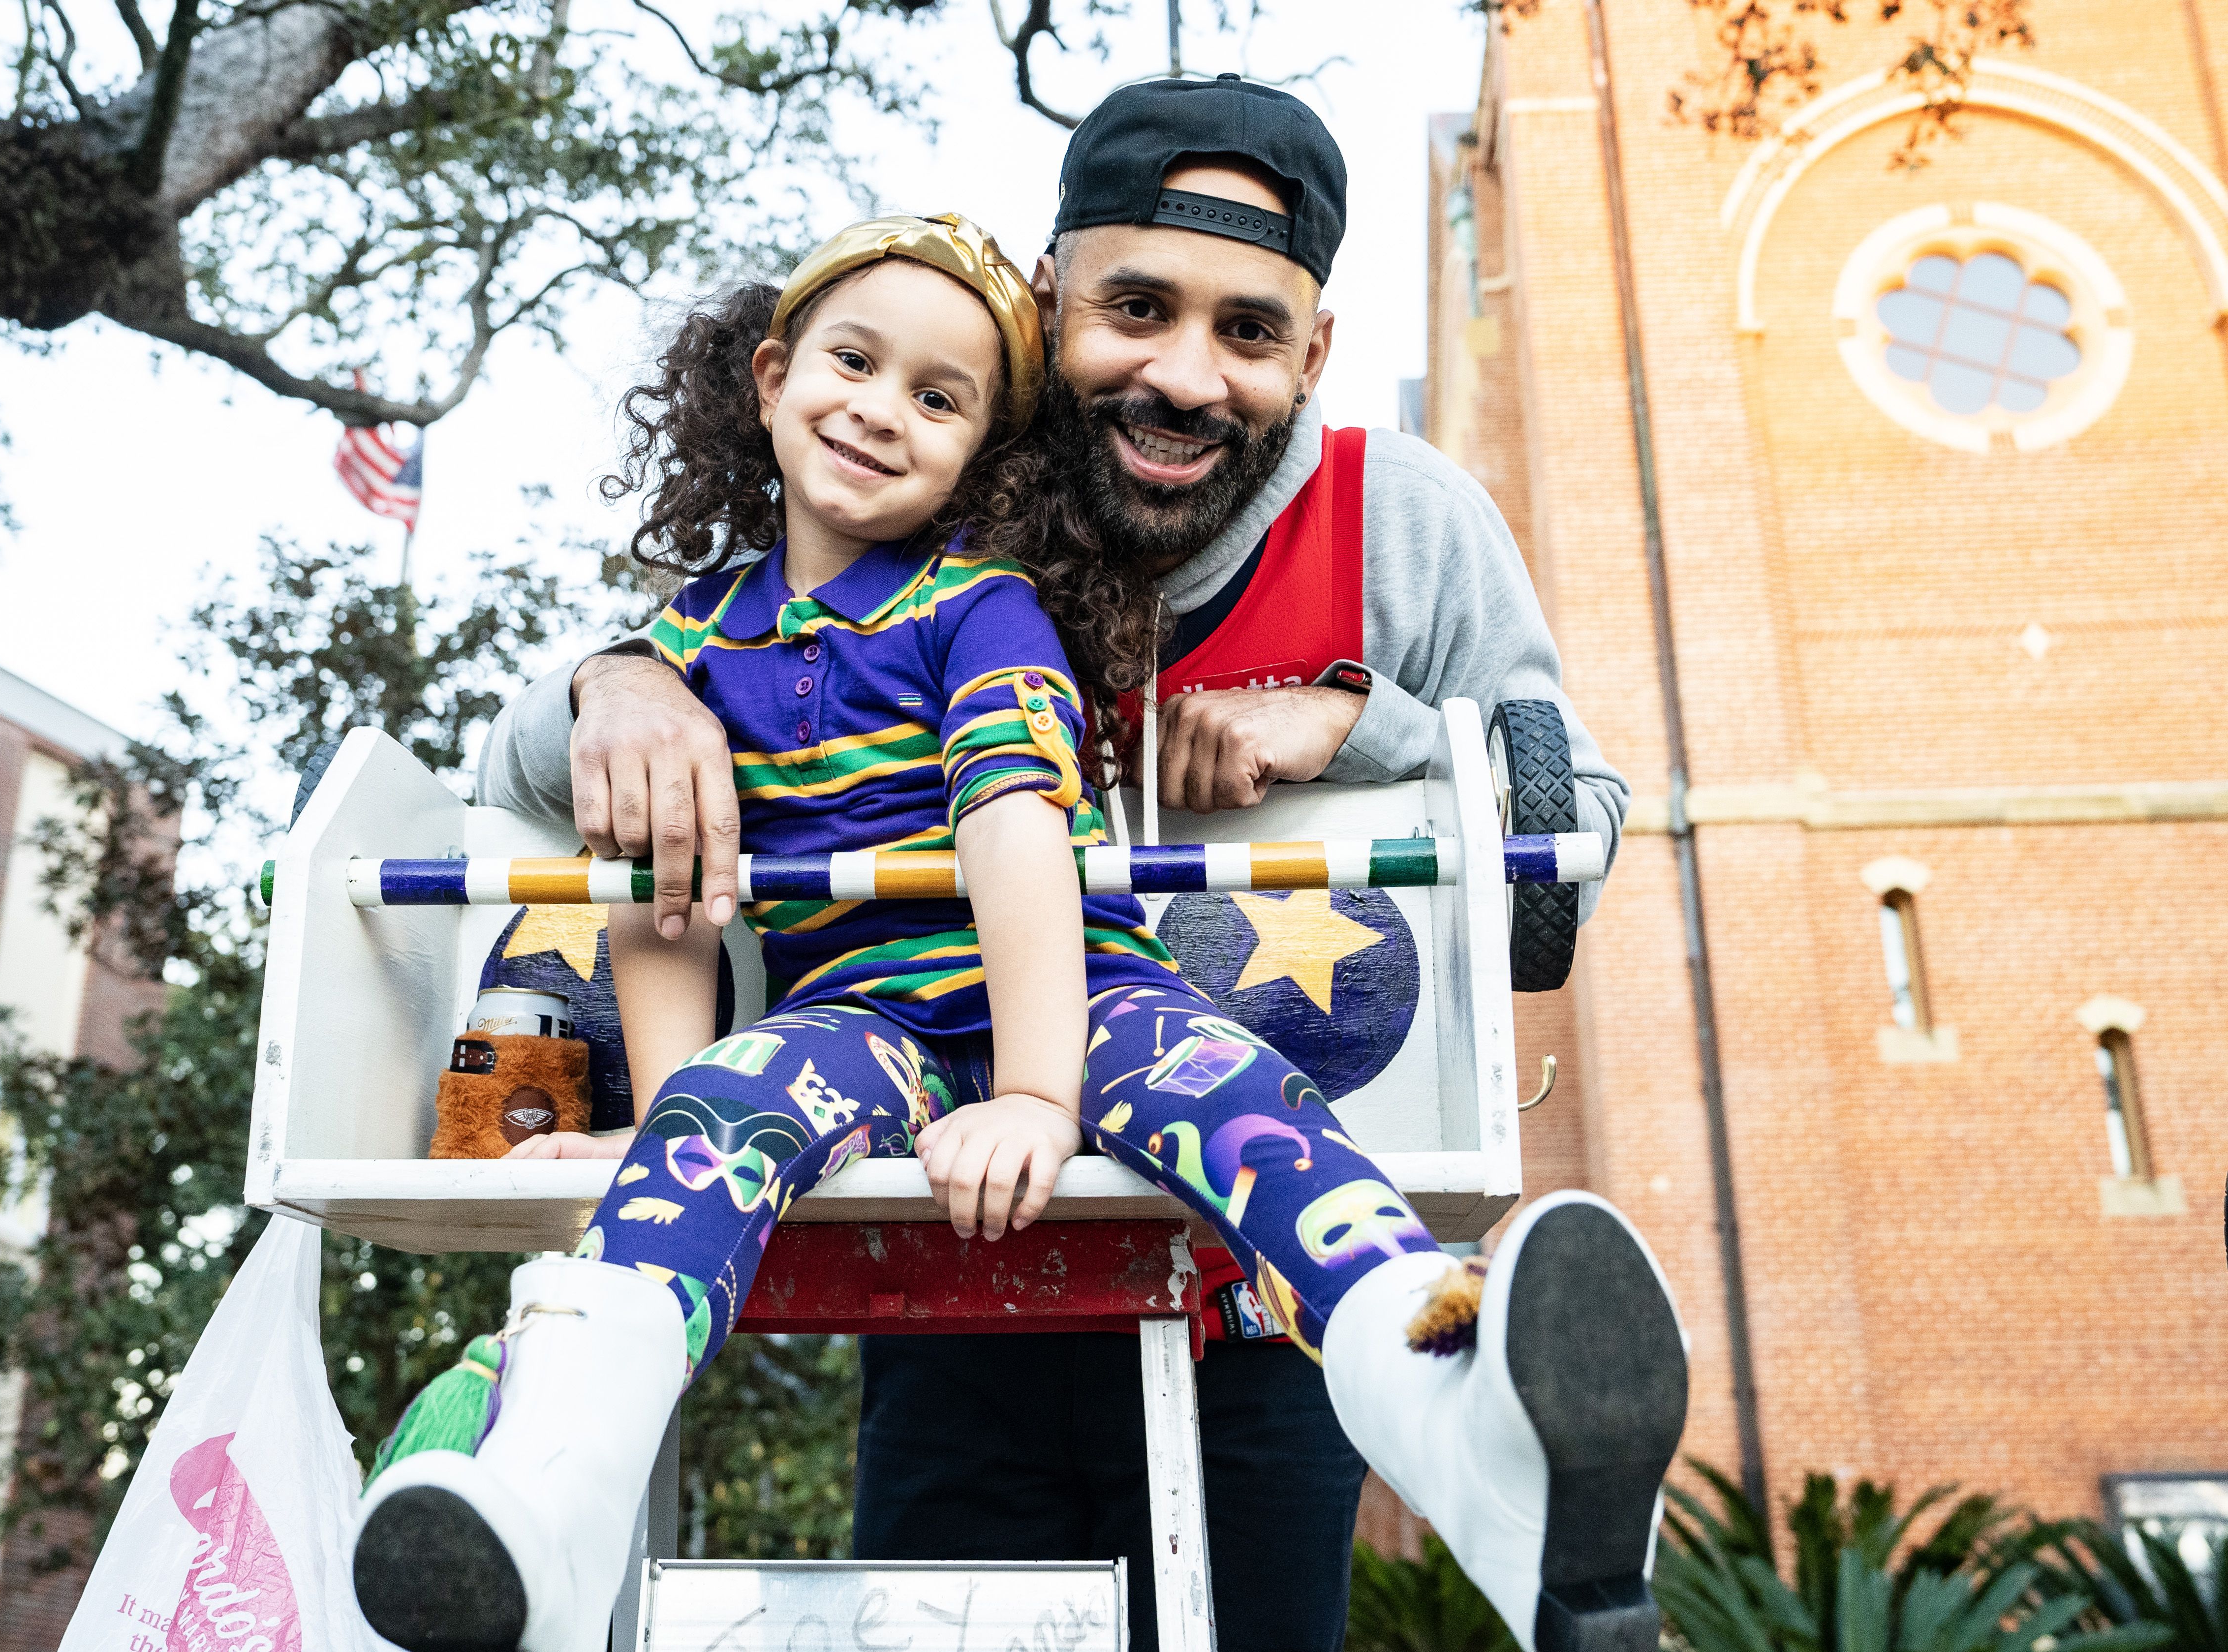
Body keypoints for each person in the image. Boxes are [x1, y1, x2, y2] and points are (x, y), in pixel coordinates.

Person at [470, 83, 1684, 1652]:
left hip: (1258, 1289)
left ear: (1313, 352)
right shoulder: (928, 457)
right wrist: (620, 682)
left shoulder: (1405, 524)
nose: (1185, 374)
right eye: (1134, 308)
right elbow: (531, 765)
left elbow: (1566, 844)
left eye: (1249, 330)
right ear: (1051, 303)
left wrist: (1357, 719)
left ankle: (1483, 1434)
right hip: (944, 1249)